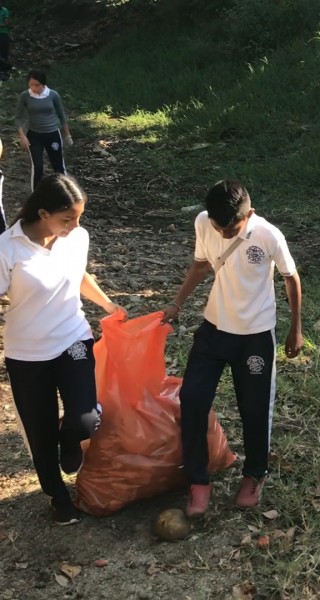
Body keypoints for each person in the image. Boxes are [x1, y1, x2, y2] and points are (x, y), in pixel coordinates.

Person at [161, 180, 303, 518]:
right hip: (214, 330)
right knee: (192, 399)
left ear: (249, 214)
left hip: (255, 337)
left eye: (231, 228)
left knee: (254, 408)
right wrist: (177, 303)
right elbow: (200, 264)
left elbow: (291, 278)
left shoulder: (269, 236)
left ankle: (254, 474)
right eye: (217, 227)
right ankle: (198, 479)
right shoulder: (203, 223)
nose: (223, 234)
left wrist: (295, 328)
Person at [0, 174, 126, 525]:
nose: (75, 225)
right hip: (27, 354)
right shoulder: (7, 248)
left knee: (85, 418)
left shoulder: (77, 237)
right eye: (66, 218)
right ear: (43, 213)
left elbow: (79, 273)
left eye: (79, 217)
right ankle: (58, 496)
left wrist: (110, 306)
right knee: (40, 435)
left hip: (72, 340)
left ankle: (71, 438)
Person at [15, 69, 73, 191]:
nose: (34, 88)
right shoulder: (25, 96)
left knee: (58, 166)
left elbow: (62, 115)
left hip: (52, 134)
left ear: (43, 84)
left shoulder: (53, 95)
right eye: (31, 85)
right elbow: (18, 118)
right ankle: (35, 195)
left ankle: (66, 193)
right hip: (34, 135)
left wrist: (67, 135)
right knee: (38, 167)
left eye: (37, 85)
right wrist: (22, 136)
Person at [0, 0, 10, 80]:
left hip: (3, 33)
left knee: (4, 52)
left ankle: (5, 71)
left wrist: (1, 25)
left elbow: (7, 22)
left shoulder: (4, 10)